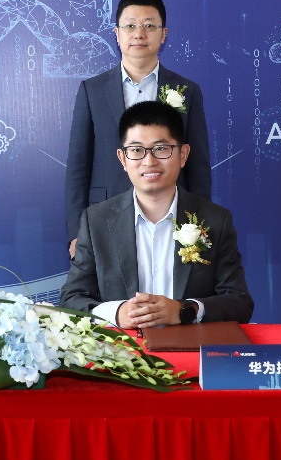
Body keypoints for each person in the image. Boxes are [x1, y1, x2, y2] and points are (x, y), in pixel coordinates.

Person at [61, 100, 253, 328]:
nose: (149, 161)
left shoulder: (215, 220)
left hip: (190, 347)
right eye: (136, 150)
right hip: (122, 348)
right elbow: (70, 300)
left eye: (161, 149)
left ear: (183, 154)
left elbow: (239, 303)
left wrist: (184, 311)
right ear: (122, 159)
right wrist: (117, 313)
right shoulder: (96, 222)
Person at [66, 0, 210, 256]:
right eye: (130, 26)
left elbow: (198, 167)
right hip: (104, 217)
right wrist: (77, 233)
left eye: (149, 26)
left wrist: (197, 227)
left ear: (163, 34)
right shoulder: (92, 90)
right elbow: (78, 166)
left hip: (171, 218)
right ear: (117, 33)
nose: (139, 34)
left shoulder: (187, 91)